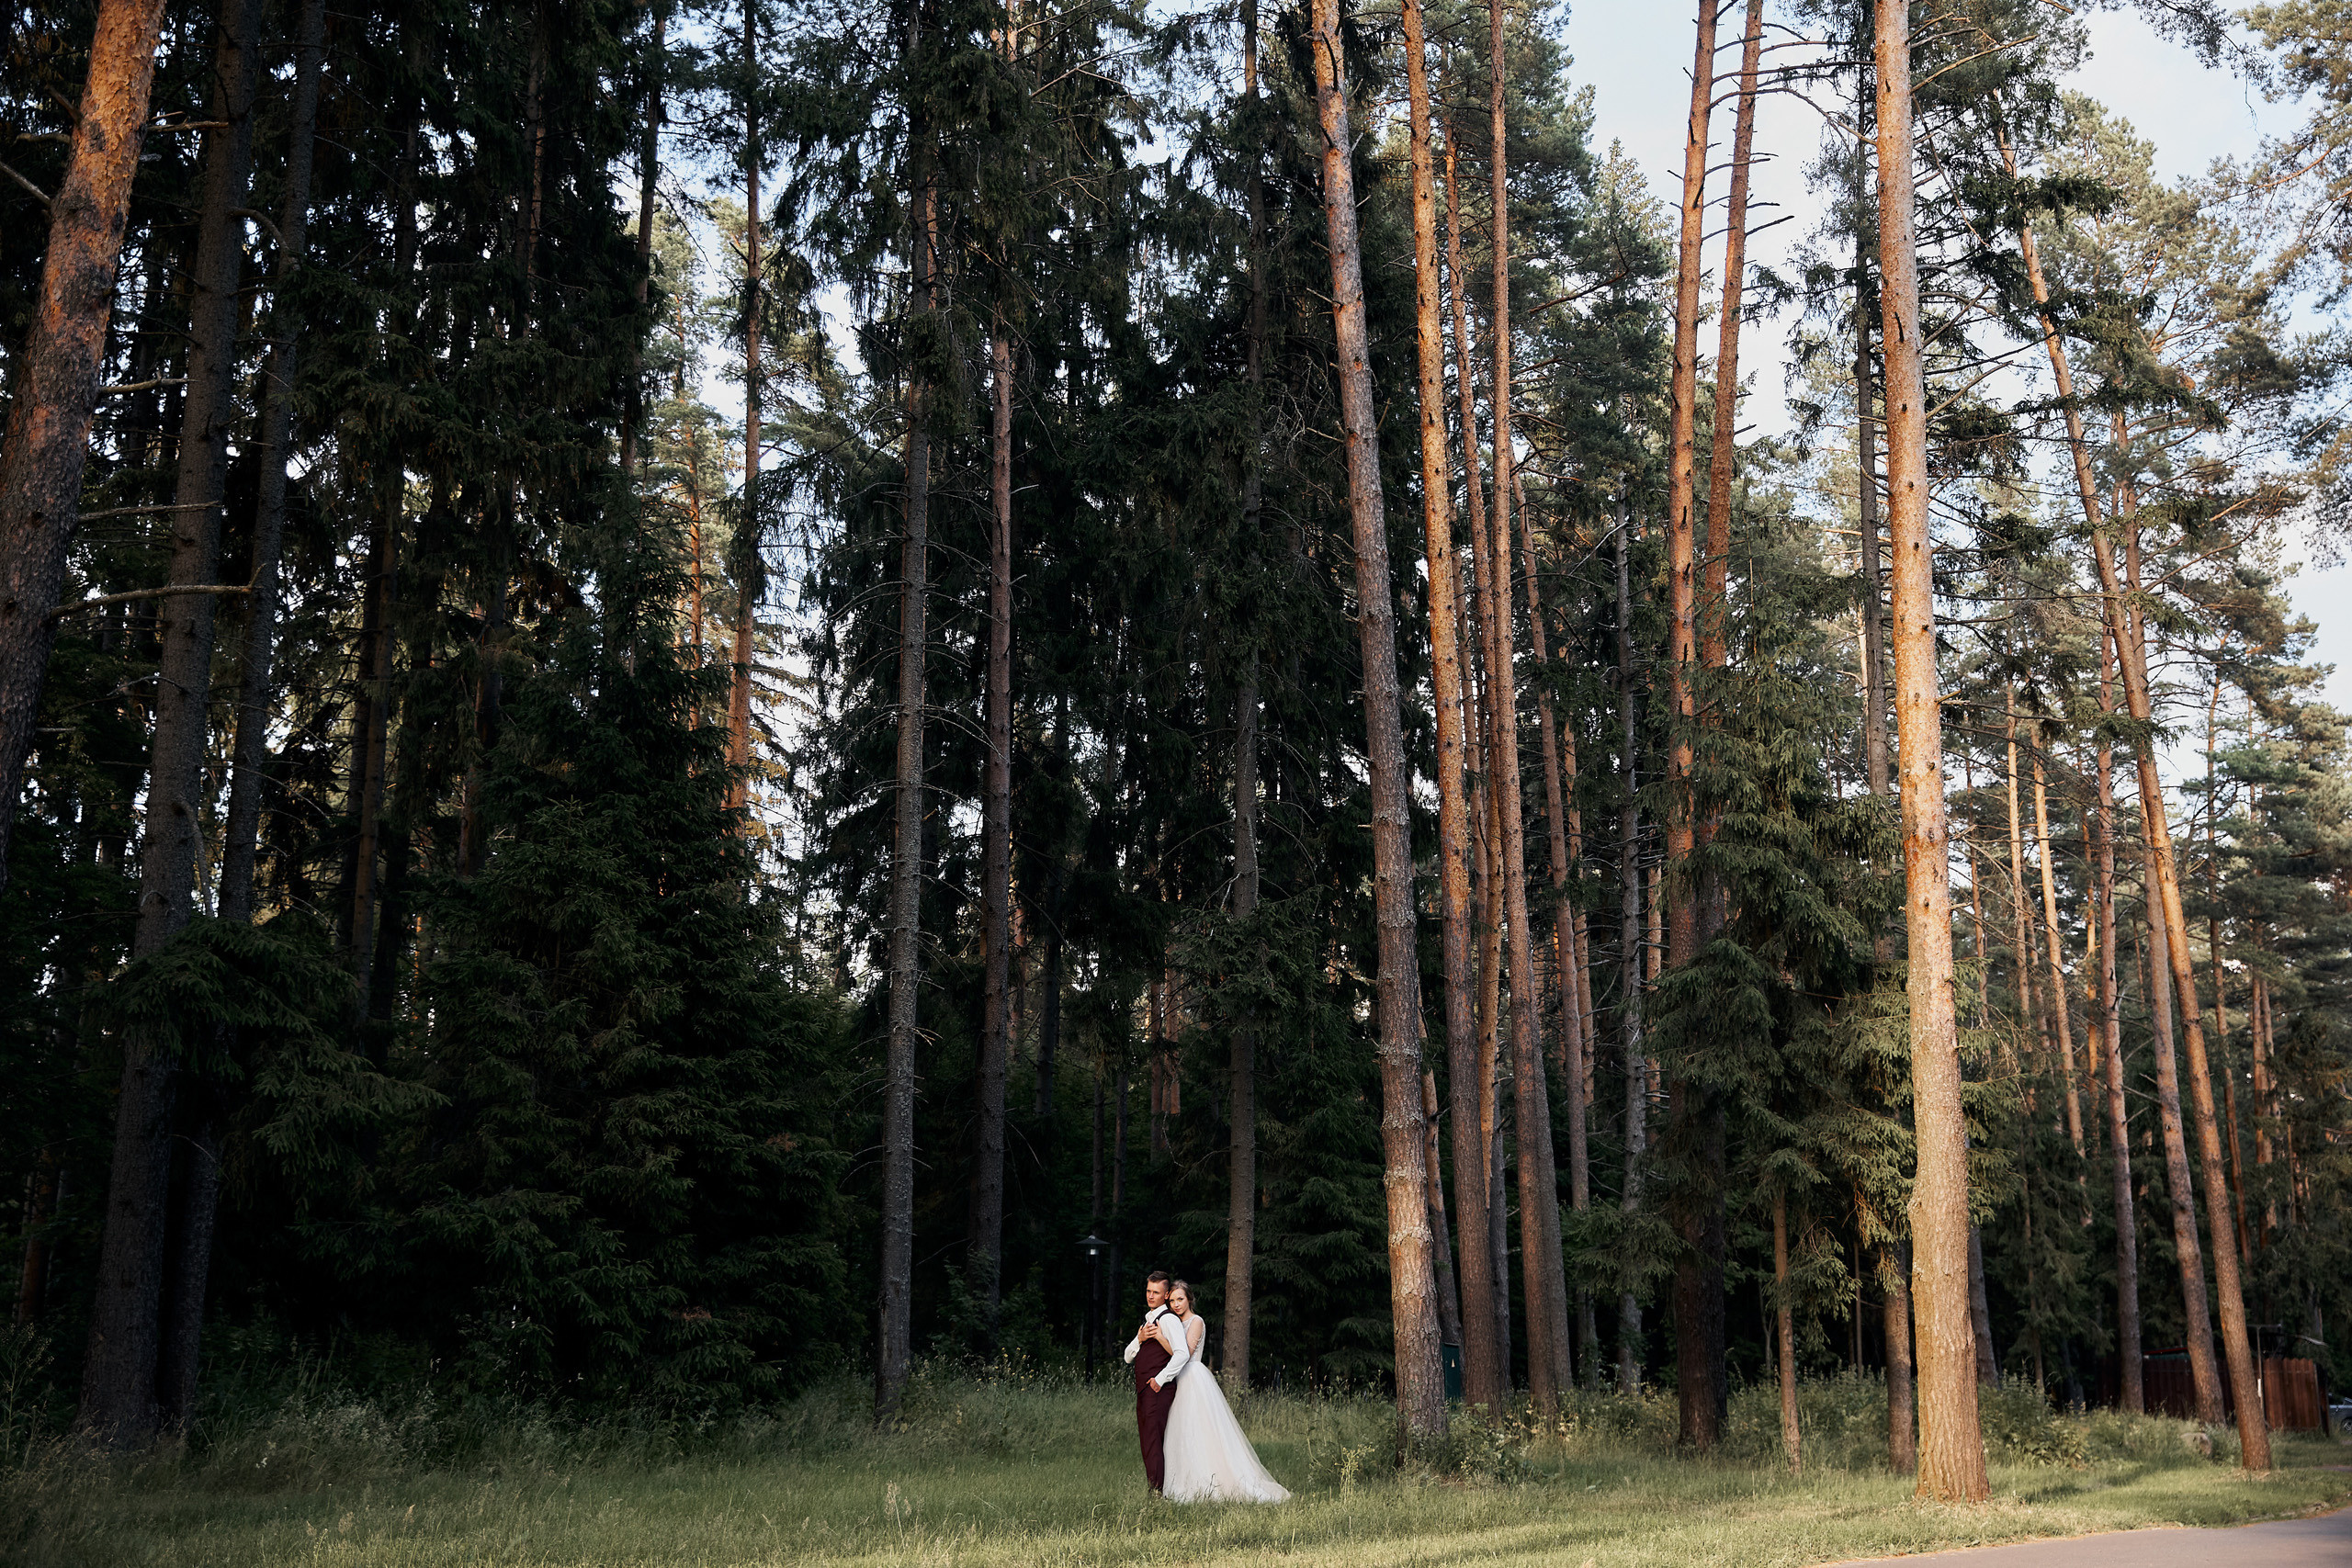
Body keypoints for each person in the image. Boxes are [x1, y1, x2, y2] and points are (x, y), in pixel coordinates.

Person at [1153, 1280, 1291, 1503]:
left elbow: (1185, 1355)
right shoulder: (1174, 1322)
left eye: (1181, 1299)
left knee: (1199, 1429)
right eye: (1172, 1301)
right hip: (1179, 1380)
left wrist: (1160, 1337)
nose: (1176, 1304)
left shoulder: (1195, 1321)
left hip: (1193, 1377)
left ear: (1189, 1299)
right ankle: (1182, 1479)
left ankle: (1208, 1478)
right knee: (1181, 1430)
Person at [1121, 1271, 1187, 1494]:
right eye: (1148, 1291)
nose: (1150, 1296)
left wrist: (1159, 1380)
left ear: (1166, 1294)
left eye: (1156, 1292)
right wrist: (1139, 1339)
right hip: (1144, 1390)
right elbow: (1127, 1356)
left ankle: (1157, 1492)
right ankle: (1156, 1488)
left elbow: (1182, 1354)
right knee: (1148, 1440)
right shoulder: (1148, 1320)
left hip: (1157, 1389)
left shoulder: (1168, 1319)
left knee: (1153, 1441)